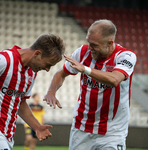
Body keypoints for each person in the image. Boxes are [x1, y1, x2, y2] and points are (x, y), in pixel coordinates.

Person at [44, 19, 136, 150]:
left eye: (94, 45)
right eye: (88, 42)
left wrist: (85, 69)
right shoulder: (83, 52)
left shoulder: (125, 56)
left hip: (112, 131)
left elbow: (115, 79)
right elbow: (60, 73)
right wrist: (51, 92)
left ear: (109, 43)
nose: (90, 47)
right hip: (81, 128)